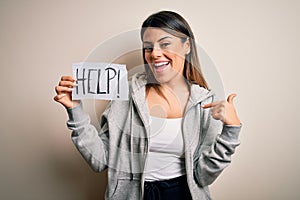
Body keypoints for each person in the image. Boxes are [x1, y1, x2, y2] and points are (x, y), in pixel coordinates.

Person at [54, 10, 242, 200]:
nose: (155, 54)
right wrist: (75, 110)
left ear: (187, 46)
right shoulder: (125, 94)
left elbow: (204, 176)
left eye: (165, 44)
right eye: (148, 47)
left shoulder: (205, 103)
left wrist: (231, 131)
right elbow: (100, 160)